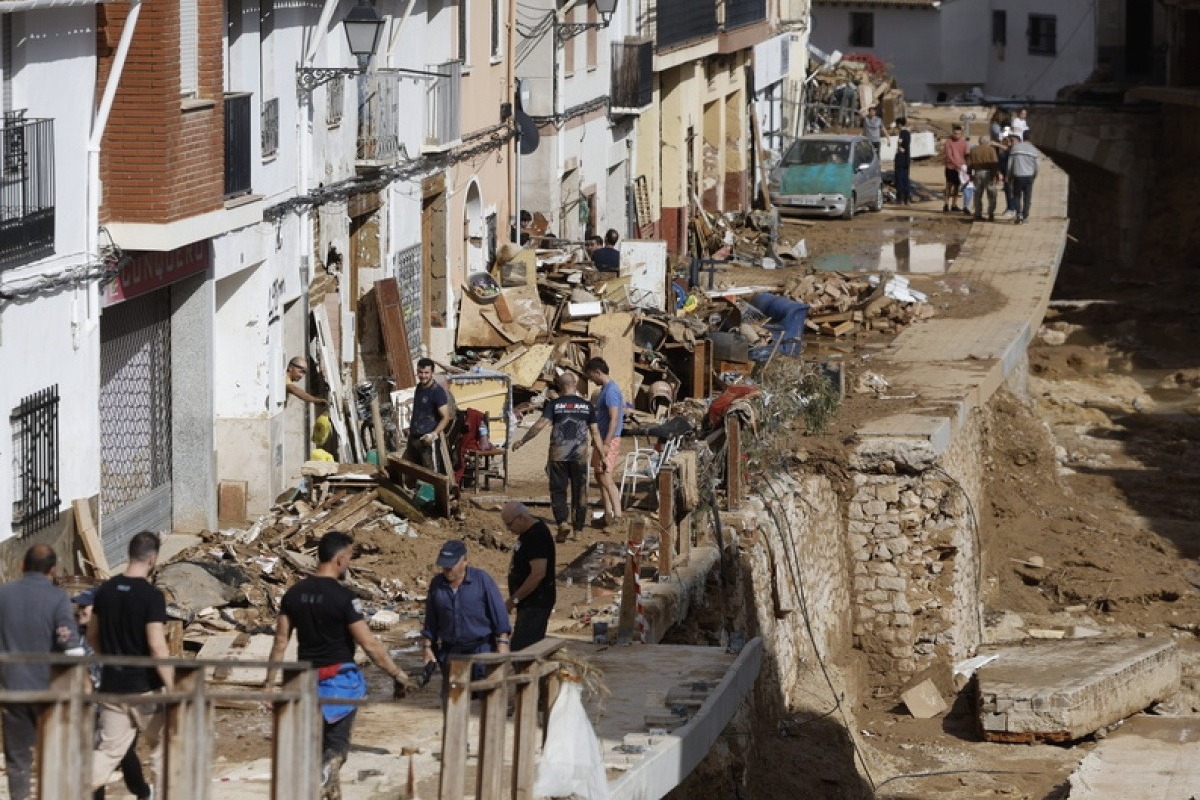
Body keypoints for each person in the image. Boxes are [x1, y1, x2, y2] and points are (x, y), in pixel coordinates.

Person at [266, 531, 414, 795]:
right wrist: (397, 674)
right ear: (340, 559)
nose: (350, 563)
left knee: (311, 746)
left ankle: (326, 786)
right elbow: (369, 645)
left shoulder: (293, 594)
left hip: (305, 684)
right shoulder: (344, 599)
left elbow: (280, 642)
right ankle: (333, 762)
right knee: (335, 744)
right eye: (349, 557)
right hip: (340, 682)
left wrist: (269, 685)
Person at [89, 532, 171, 800]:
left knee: (108, 751)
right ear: (152, 557)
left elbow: (92, 635)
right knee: (163, 747)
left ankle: (69, 789)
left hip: (112, 686)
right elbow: (157, 645)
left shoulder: (106, 590)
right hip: (145, 688)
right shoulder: (151, 596)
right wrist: (173, 686)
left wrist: (109, 659)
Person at [0, 545, 83, 800]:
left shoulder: (3, 595)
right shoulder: (57, 599)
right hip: (48, 691)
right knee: (53, 754)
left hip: (12, 690)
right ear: (53, 570)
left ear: (22, 566)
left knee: (17, 761)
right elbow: (72, 650)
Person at [74, 589, 151, 800]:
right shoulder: (74, 637)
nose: (79, 611)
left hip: (116, 705)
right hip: (89, 707)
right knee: (93, 755)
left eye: (84, 607)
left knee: (124, 756)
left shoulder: (113, 636)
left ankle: (142, 792)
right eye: (78, 606)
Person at [512, 371, 603, 541]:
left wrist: (522, 441)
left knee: (558, 490)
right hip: (579, 455)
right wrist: (602, 454)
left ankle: (562, 523)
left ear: (560, 388)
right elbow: (596, 433)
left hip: (558, 454)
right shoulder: (587, 406)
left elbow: (539, 425)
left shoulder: (554, 404)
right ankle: (579, 531)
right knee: (580, 492)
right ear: (575, 385)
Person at [420, 540, 511, 694]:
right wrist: (427, 648)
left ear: (465, 560)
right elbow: (431, 622)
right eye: (444, 565)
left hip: (481, 651)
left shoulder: (482, 580)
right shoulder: (437, 584)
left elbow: (499, 615)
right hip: (451, 652)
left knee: (484, 699)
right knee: (453, 699)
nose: (447, 569)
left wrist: (502, 644)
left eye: (451, 565)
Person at [501, 502, 557, 650]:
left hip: (536, 602)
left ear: (520, 518)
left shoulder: (537, 536)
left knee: (523, 648)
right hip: (527, 603)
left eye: (509, 524)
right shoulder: (527, 533)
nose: (509, 529)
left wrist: (514, 600)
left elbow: (538, 574)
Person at [585, 357, 624, 526]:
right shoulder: (605, 390)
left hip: (608, 439)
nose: (591, 380)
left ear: (597, 372)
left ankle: (618, 515)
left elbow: (614, 418)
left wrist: (607, 444)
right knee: (599, 475)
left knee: (606, 476)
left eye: (591, 376)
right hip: (601, 439)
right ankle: (608, 514)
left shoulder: (611, 391)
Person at [403, 357, 451, 472]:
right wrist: (411, 429)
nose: (423, 376)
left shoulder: (437, 391)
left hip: (427, 440)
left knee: (431, 474)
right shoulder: (419, 387)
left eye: (426, 373)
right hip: (414, 437)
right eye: (420, 372)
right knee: (413, 472)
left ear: (432, 372)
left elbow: (446, 417)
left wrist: (433, 434)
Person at [1007, 132, 1039, 224]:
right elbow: (1036, 166)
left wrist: (1009, 175)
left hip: (1018, 175)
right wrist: (1034, 175)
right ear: (1031, 138)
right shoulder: (1033, 150)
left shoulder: (1015, 148)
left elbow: (1010, 164)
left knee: (1017, 195)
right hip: (1029, 176)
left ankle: (1019, 214)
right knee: (1027, 196)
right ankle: (1025, 216)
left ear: (1022, 137)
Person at [966, 135, 1000, 222]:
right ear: (987, 142)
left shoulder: (974, 150)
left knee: (977, 194)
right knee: (991, 194)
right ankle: (991, 213)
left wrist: (970, 175)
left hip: (977, 173)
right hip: (989, 173)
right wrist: (996, 175)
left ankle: (977, 214)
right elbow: (995, 163)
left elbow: (969, 164)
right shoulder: (991, 150)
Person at [942, 124, 969, 213]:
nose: (956, 135)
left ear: (961, 134)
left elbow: (966, 155)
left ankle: (954, 204)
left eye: (958, 133)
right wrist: (956, 164)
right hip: (950, 167)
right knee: (948, 186)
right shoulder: (948, 142)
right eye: (955, 133)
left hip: (960, 169)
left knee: (957, 187)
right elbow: (949, 155)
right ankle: (946, 204)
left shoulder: (964, 143)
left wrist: (965, 165)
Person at [893, 117, 912, 205]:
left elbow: (905, 147)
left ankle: (902, 198)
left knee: (901, 179)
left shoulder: (904, 133)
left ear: (899, 125)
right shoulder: (904, 133)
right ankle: (904, 198)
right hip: (903, 160)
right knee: (903, 179)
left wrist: (905, 158)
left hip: (902, 160)